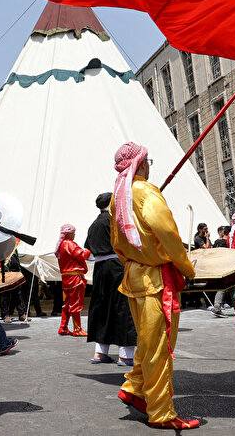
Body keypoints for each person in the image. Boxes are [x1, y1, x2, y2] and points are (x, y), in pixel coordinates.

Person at [109, 143, 199, 429]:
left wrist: (135, 258)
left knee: (148, 342)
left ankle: (135, 387)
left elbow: (116, 243)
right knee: (159, 346)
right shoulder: (146, 192)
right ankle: (161, 412)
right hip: (156, 278)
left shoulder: (117, 196)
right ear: (143, 164)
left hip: (134, 274)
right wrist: (186, 267)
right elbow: (168, 234)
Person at [85, 192, 136, 366]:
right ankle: (125, 355)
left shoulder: (93, 225)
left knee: (102, 308)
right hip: (116, 266)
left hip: (99, 270)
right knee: (124, 307)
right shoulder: (114, 220)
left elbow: (89, 249)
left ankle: (100, 353)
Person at [56, 224, 91, 336]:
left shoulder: (62, 245)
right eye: (73, 233)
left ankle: (63, 327)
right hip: (75, 278)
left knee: (67, 303)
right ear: (69, 234)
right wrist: (89, 248)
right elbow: (83, 254)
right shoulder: (69, 244)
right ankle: (77, 329)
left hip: (66, 278)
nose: (74, 235)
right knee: (76, 303)